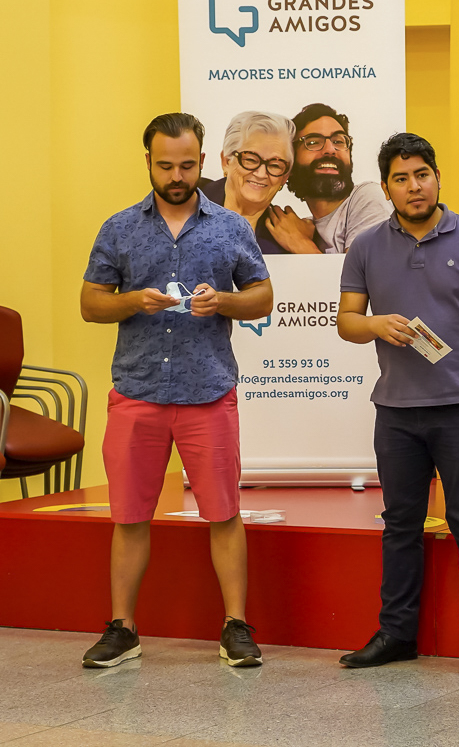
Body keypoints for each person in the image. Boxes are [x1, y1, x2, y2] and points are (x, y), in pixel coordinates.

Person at [79, 113, 273, 669]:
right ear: (148, 161)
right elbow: (91, 304)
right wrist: (131, 300)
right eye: (165, 166)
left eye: (187, 165)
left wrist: (225, 301)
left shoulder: (230, 226)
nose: (177, 176)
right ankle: (122, 629)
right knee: (128, 516)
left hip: (207, 391)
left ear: (203, 160)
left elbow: (262, 297)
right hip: (137, 391)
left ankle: (236, 626)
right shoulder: (119, 228)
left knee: (224, 512)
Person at [336, 131, 459, 677]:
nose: (414, 186)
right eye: (400, 179)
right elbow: (347, 320)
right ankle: (396, 634)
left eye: (422, 175)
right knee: (400, 524)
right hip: (396, 411)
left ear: (438, 178)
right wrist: (375, 324)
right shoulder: (366, 246)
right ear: (386, 188)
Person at [265, 102, 392, 253]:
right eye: (313, 142)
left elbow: (366, 269)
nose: (330, 150)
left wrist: (301, 244)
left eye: (338, 141)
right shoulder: (303, 229)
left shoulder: (368, 197)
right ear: (290, 164)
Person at [199, 111, 295, 254]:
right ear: (226, 161)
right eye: (250, 160)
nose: (261, 174)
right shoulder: (186, 203)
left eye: (275, 165)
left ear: (285, 177)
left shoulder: (288, 241)